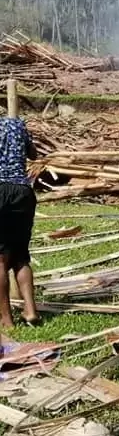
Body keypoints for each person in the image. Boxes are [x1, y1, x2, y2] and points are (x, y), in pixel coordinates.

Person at [0, 117, 38, 328]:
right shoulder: (16, 124)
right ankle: (31, 310)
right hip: (23, 192)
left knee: (0, 260)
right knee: (21, 256)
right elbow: (33, 154)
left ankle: (6, 320)